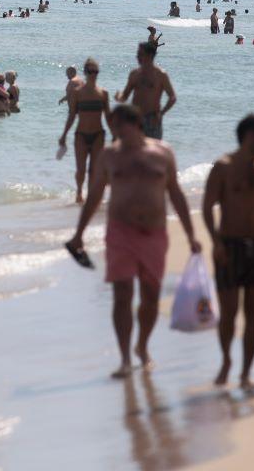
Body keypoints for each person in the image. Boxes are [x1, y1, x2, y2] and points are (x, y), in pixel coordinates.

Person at [66, 104, 201, 378]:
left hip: (154, 233)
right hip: (120, 232)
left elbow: (175, 194)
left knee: (150, 297)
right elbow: (94, 196)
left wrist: (191, 235)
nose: (115, 132)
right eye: (112, 127)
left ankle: (142, 346)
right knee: (122, 295)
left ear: (135, 124)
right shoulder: (109, 155)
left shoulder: (163, 152)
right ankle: (125, 358)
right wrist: (79, 234)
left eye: (118, 126)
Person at [201, 114, 254, 389]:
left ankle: (246, 373)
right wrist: (215, 242)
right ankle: (227, 360)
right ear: (249, 136)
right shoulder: (223, 167)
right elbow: (207, 206)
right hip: (229, 246)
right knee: (229, 313)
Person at [59, 58, 110, 203]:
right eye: (90, 71)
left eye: (96, 71)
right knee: (81, 170)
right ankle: (80, 191)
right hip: (81, 135)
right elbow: (72, 116)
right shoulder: (77, 93)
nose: (93, 74)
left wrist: (117, 136)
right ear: (85, 73)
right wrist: (63, 135)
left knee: (94, 170)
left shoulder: (103, 93)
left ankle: (91, 197)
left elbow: (108, 116)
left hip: (98, 135)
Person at [116, 42, 176, 140]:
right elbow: (125, 97)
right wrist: (118, 97)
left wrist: (161, 113)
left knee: (152, 152)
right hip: (135, 119)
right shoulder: (134, 74)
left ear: (150, 55)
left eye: (140, 54)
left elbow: (172, 97)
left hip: (152, 119)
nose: (137, 57)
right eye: (137, 54)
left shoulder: (160, 75)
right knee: (134, 152)